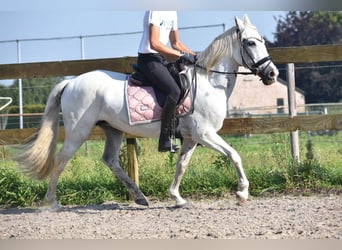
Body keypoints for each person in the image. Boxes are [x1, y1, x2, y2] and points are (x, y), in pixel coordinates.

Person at [137, 11, 196, 152]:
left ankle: (180, 131)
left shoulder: (173, 13)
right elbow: (154, 43)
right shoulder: (155, 10)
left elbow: (176, 43)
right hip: (148, 60)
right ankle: (164, 139)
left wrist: (195, 56)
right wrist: (181, 56)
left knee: (184, 85)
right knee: (173, 91)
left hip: (161, 60)